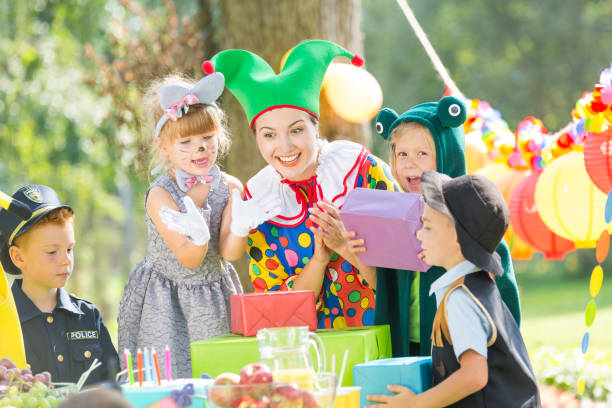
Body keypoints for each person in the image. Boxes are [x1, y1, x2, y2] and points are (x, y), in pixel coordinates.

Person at [203, 40, 399, 328]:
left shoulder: (363, 171)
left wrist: (345, 246)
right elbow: (282, 316)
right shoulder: (258, 201)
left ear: (315, 126)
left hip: (384, 342)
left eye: (296, 130)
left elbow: (401, 286)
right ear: (256, 137)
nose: (284, 147)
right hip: (310, 356)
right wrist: (318, 261)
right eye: (269, 135)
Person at [117, 73, 271, 378]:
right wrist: (198, 236)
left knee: (220, 374)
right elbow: (189, 257)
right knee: (171, 378)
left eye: (207, 139)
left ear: (219, 136)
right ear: (163, 145)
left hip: (215, 292)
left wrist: (240, 227)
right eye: (185, 142)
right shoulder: (161, 195)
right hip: (166, 298)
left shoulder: (229, 187)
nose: (199, 149)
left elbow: (229, 251)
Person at [368, 171, 540, 407]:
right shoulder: (477, 286)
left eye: (427, 227)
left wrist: (415, 404)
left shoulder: (461, 299)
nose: (419, 234)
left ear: (458, 240)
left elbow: (473, 375)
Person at [367, 98, 521, 357]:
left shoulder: (471, 216)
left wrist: (503, 355)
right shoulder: (394, 218)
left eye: (422, 153)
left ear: (447, 153)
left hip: (462, 351)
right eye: (402, 153)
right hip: (408, 348)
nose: (409, 163)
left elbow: (502, 293)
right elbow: (387, 286)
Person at [0, 185, 119, 384]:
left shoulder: (88, 316)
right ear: (18, 257)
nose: (66, 260)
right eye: (52, 252)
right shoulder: (5, 324)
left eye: (69, 249)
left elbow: (114, 386)